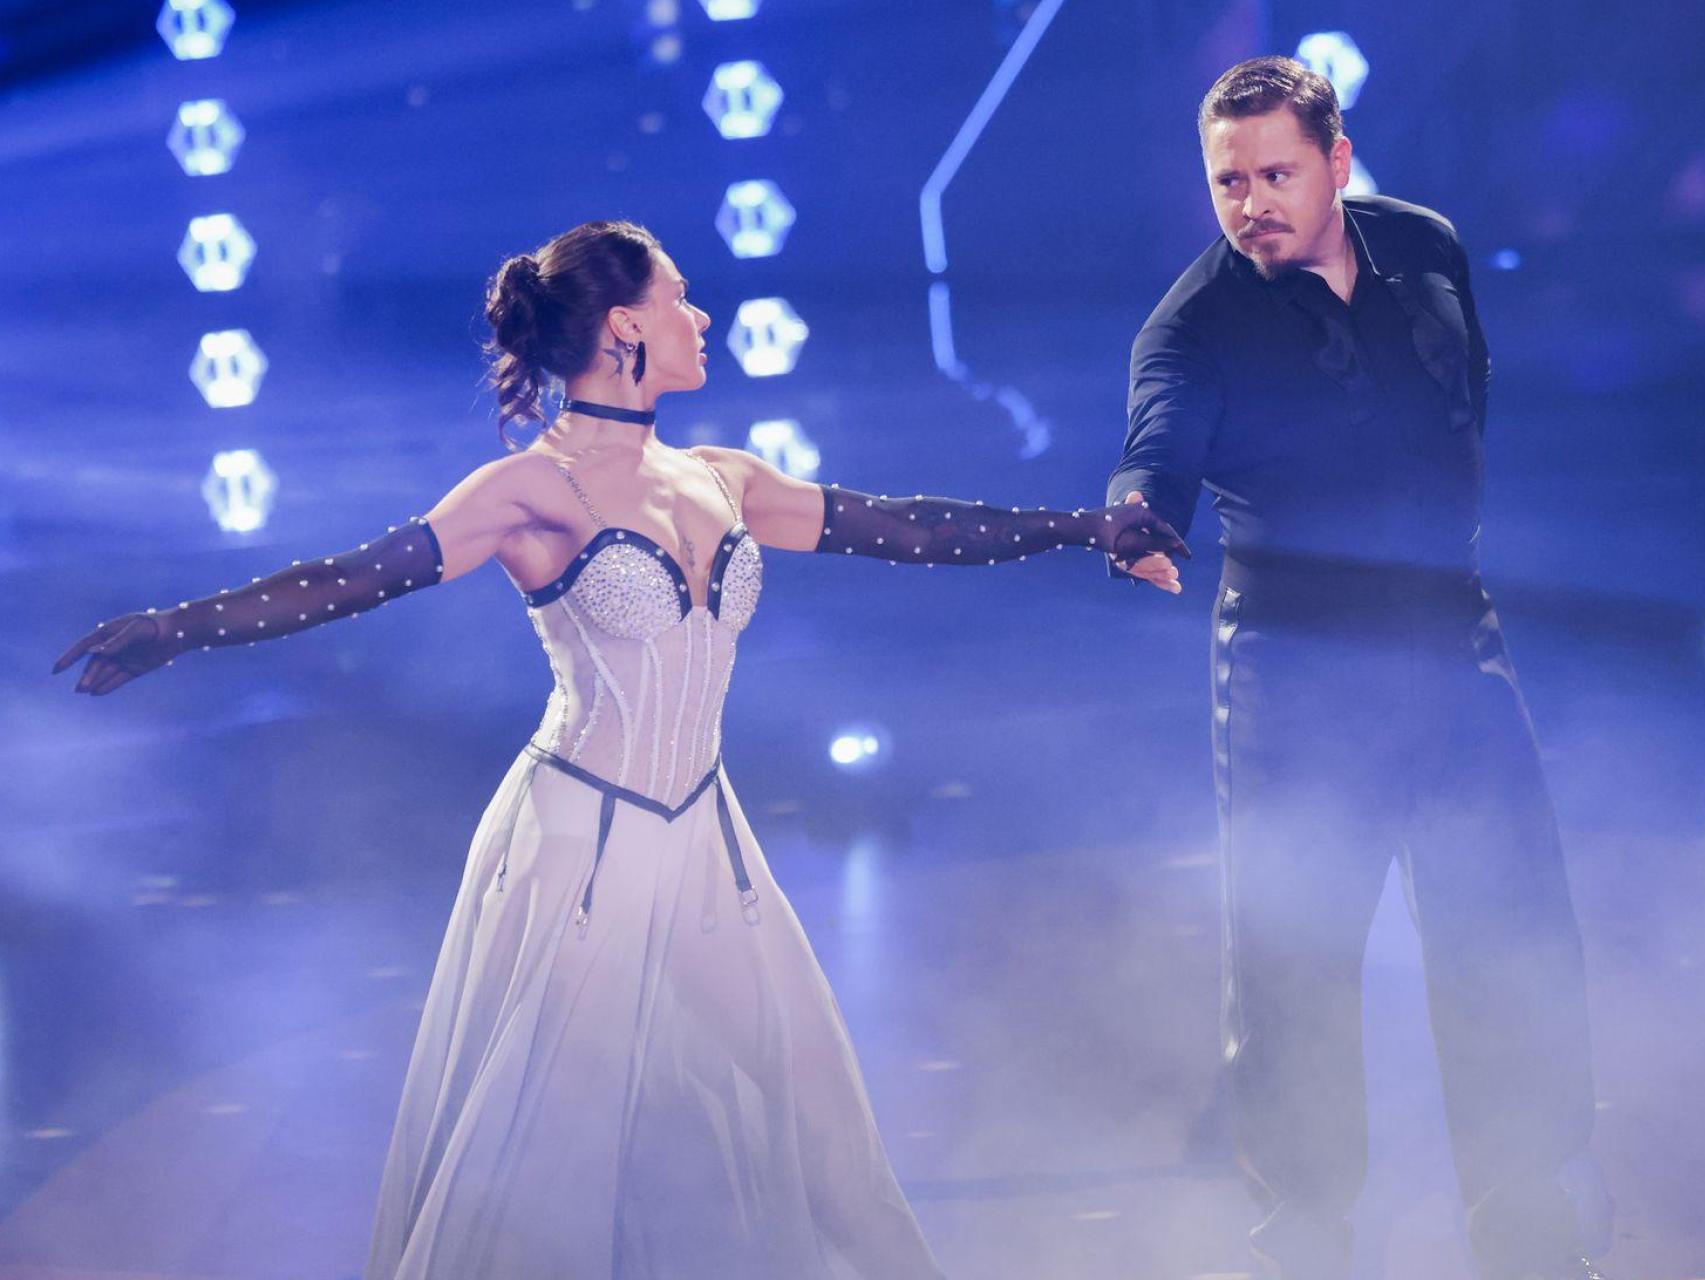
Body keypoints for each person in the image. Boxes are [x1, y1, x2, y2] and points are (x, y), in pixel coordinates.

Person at [53, 219, 1187, 1278]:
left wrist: (1085, 527)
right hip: (578, 843)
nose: (706, 318)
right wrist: (178, 626)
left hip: (704, 835)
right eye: (683, 299)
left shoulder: (722, 475)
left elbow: (907, 526)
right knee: (539, 1159)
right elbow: (356, 576)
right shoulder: (527, 490)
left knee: (820, 1115)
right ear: (625, 327)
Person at [1106, 57, 1608, 1280]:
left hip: (1453, 640)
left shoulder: (1427, 247)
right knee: (1294, 972)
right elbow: (1158, 437)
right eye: (1228, 181)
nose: (1251, 202)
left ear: (1337, 161)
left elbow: (1465, 402)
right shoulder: (1194, 322)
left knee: (1506, 934)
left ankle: (1531, 1239)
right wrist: (1138, 508)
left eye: (1277, 173)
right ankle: (1309, 1250)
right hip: (1296, 672)